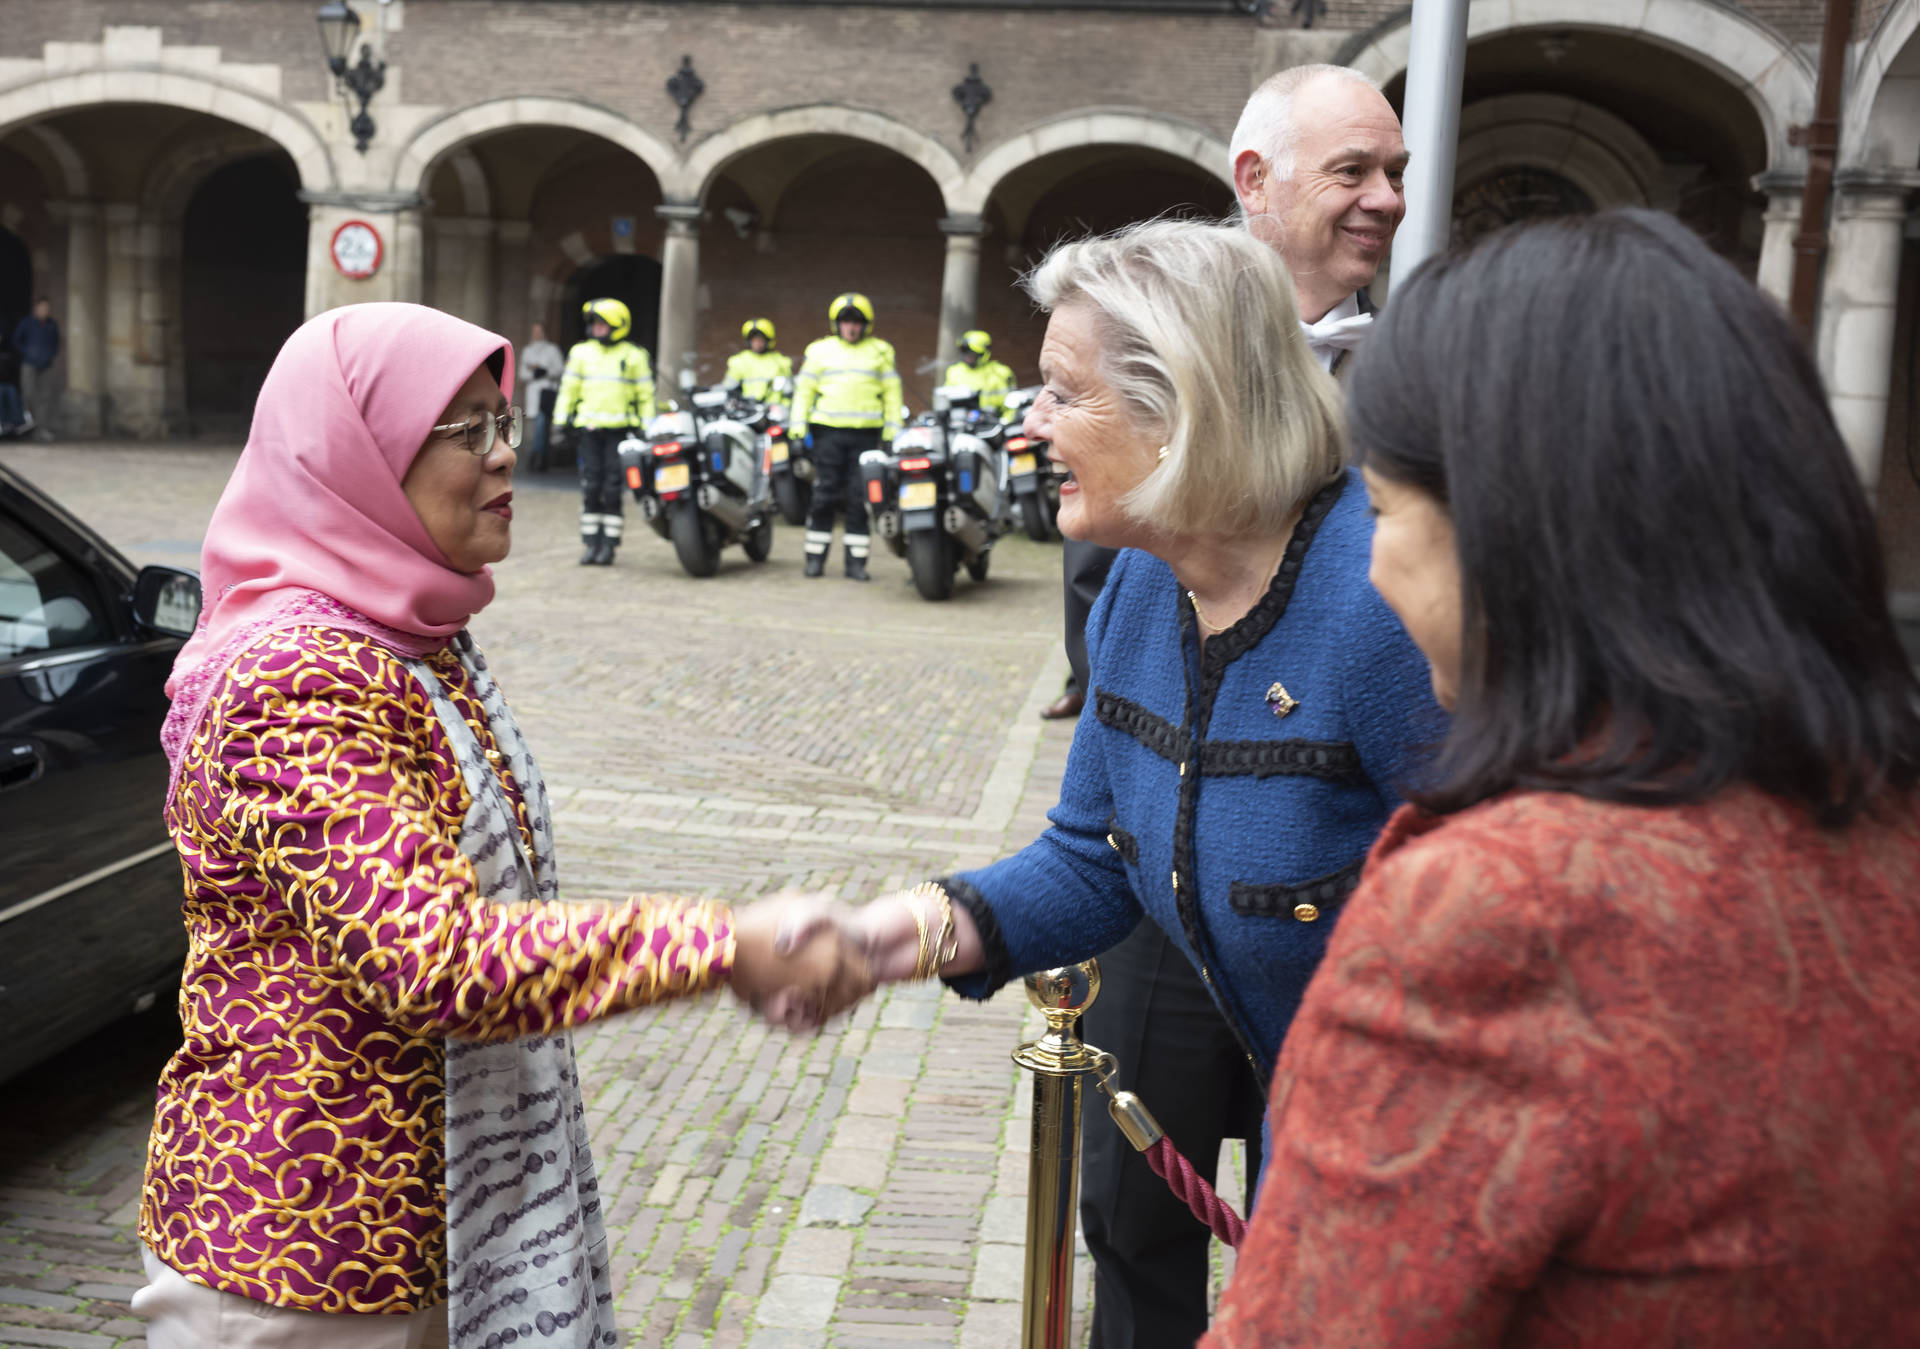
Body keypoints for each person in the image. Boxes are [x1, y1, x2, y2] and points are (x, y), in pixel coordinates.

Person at [1205, 210, 1920, 1347]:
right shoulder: (1883, 826)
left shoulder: (1502, 913)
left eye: (1384, 510)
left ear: (1511, 535)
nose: (1375, 565)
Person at [132, 303, 857, 1349]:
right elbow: (435, 956)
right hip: (307, 1242)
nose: (509, 452)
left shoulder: (413, 633)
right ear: (360, 453)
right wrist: (723, 942)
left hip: (432, 1222)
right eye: (465, 429)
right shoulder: (300, 673)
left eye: (505, 419)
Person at [775, 221, 1442, 1242]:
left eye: (1063, 390)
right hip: (1310, 1126)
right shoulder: (1142, 580)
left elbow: (1497, 941)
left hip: (1416, 1155)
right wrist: (885, 938)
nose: (1030, 422)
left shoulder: (1381, 601)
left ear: (1183, 407)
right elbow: (1095, 858)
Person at [1055, 62, 1416, 1349]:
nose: (1383, 199)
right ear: (1253, 182)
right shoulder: (1144, 332)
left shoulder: (1416, 378)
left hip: (1330, 896)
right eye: (1353, 172)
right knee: (1137, 1200)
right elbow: (1109, 584)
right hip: (1166, 851)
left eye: (1395, 174)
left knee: (1312, 1222)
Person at [790, 292, 902, 581]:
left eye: (856, 322)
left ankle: (856, 564)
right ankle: (814, 560)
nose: (851, 327)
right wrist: (797, 428)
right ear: (835, 324)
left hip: (866, 436)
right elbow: (803, 392)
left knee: (858, 499)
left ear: (867, 325)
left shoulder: (880, 351)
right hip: (828, 435)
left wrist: (893, 433)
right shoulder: (819, 351)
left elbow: (892, 395)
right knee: (823, 495)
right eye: (845, 322)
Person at [555, 297, 654, 566]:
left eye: (602, 324)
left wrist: (647, 427)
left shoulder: (634, 356)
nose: (597, 328)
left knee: (612, 489)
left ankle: (608, 547)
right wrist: (561, 421)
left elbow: (645, 395)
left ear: (618, 326)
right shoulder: (581, 353)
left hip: (619, 433)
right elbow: (568, 389)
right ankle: (590, 545)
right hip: (589, 431)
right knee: (590, 487)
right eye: (595, 324)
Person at [518, 321, 565, 472]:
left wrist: (545, 371)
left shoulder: (552, 350)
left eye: (539, 331)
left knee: (542, 426)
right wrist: (534, 373)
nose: (536, 334)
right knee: (535, 428)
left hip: (546, 392)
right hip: (532, 393)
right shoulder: (528, 351)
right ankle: (537, 457)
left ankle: (537, 458)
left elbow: (560, 369)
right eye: (534, 331)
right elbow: (522, 373)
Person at [13, 296, 59, 439]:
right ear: (36, 308)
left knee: (45, 397)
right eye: (43, 308)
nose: (45, 311)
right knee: (29, 394)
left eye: (48, 309)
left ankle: (42, 429)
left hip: (46, 365)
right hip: (29, 364)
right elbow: (16, 340)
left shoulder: (52, 324)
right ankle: (28, 428)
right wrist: (28, 353)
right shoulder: (26, 323)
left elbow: (56, 343)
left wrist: (50, 355)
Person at [941, 329, 1015, 417]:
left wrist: (1005, 423)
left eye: (972, 353)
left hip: (994, 422)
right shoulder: (954, 371)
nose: (967, 356)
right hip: (961, 422)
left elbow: (1013, 405)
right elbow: (944, 403)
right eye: (964, 351)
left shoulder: (1000, 372)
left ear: (983, 353)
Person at [726, 318, 793, 401]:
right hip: (749, 410)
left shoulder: (780, 362)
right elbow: (729, 389)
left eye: (760, 340)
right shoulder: (739, 361)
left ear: (767, 340)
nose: (757, 344)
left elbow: (789, 392)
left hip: (774, 410)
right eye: (754, 340)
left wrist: (782, 408)